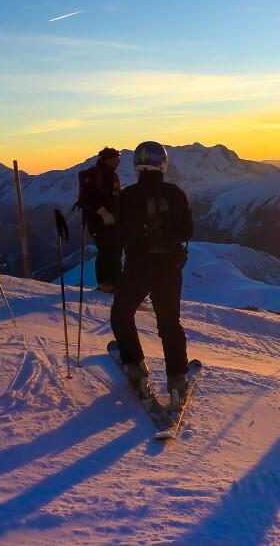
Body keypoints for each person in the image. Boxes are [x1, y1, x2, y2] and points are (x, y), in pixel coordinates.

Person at [111, 141, 194, 407]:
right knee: (169, 322)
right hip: (169, 267)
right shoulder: (176, 193)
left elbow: (117, 235)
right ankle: (177, 379)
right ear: (163, 164)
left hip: (137, 266)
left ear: (136, 165)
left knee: (122, 313)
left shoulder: (126, 196)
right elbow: (187, 232)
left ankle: (135, 366)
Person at [77, 146, 122, 293]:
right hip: (99, 222)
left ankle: (115, 282)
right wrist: (103, 213)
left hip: (111, 221)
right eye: (116, 158)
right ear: (108, 160)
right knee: (106, 250)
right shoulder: (99, 175)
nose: (119, 161)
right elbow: (88, 198)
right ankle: (105, 283)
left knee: (114, 250)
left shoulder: (110, 175)